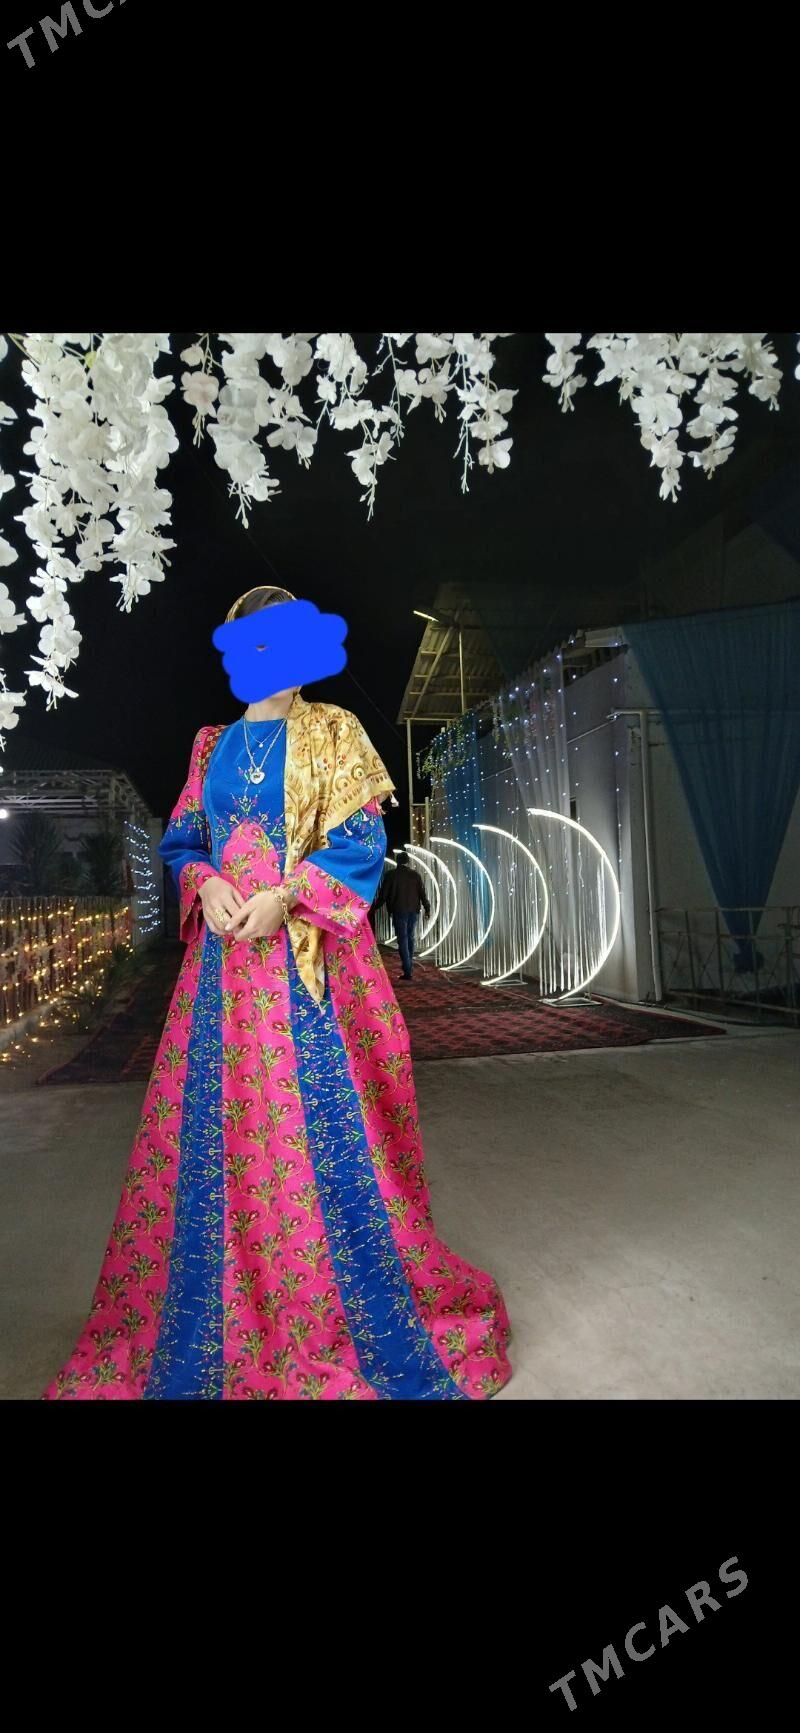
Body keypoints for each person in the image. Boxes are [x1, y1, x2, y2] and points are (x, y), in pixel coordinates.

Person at [41, 584, 512, 1401]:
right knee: (217, 1134)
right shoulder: (210, 746)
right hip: (222, 977)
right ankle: (221, 1310)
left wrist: (287, 896)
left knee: (321, 1133)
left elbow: (362, 840)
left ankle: (322, 1310)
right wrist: (204, 878)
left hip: (309, 968)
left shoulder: (335, 730)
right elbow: (183, 838)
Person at [378, 849, 430, 980]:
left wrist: (373, 908)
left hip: (398, 910)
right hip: (413, 910)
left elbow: (383, 895)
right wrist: (427, 908)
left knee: (403, 939)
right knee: (410, 937)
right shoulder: (415, 875)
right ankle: (409, 966)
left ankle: (408, 970)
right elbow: (422, 894)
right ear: (408, 861)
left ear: (397, 861)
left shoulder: (390, 875)